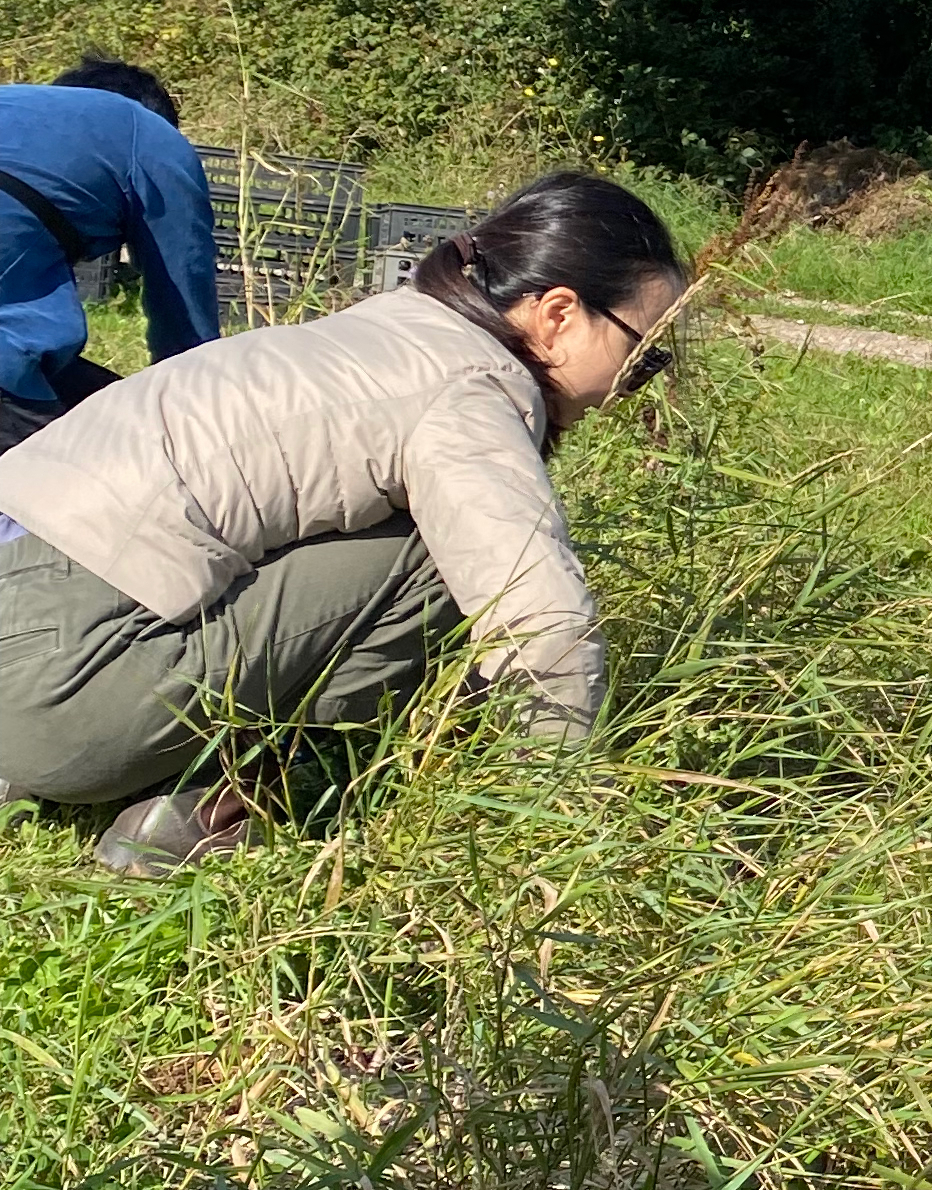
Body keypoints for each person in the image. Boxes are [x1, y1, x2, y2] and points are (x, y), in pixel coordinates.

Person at [0, 171, 683, 873]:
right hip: (54, 687)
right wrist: (556, 813)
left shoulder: (392, 327)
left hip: (26, 615)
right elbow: (542, 619)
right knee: (441, 553)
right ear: (559, 313)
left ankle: (49, 768)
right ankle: (212, 803)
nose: (634, 384)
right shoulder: (467, 385)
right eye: (645, 352)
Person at [0, 58, 222, 449]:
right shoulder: (150, 136)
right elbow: (185, 319)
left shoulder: (18, 107)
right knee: (92, 464)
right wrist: (192, 431)